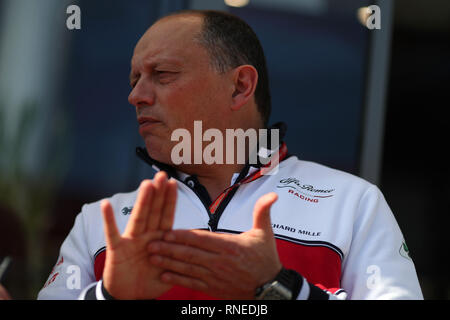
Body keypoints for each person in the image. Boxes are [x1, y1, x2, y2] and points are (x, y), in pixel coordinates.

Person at [37, 10, 423, 300]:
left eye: (163, 74)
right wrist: (110, 296)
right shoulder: (98, 223)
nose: (136, 95)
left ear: (240, 87)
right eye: (135, 79)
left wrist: (281, 289)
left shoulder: (353, 203)